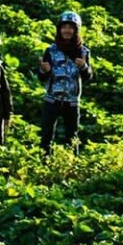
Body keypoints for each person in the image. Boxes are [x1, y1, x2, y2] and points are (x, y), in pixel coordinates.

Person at [36, 10, 93, 152]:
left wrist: (83, 67)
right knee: (46, 136)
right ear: (59, 29)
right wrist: (44, 70)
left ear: (76, 30)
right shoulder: (51, 50)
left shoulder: (83, 52)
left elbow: (89, 77)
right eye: (64, 27)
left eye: (70, 27)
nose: (66, 31)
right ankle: (44, 165)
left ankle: (71, 167)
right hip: (52, 100)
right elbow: (42, 77)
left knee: (72, 138)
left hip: (72, 102)